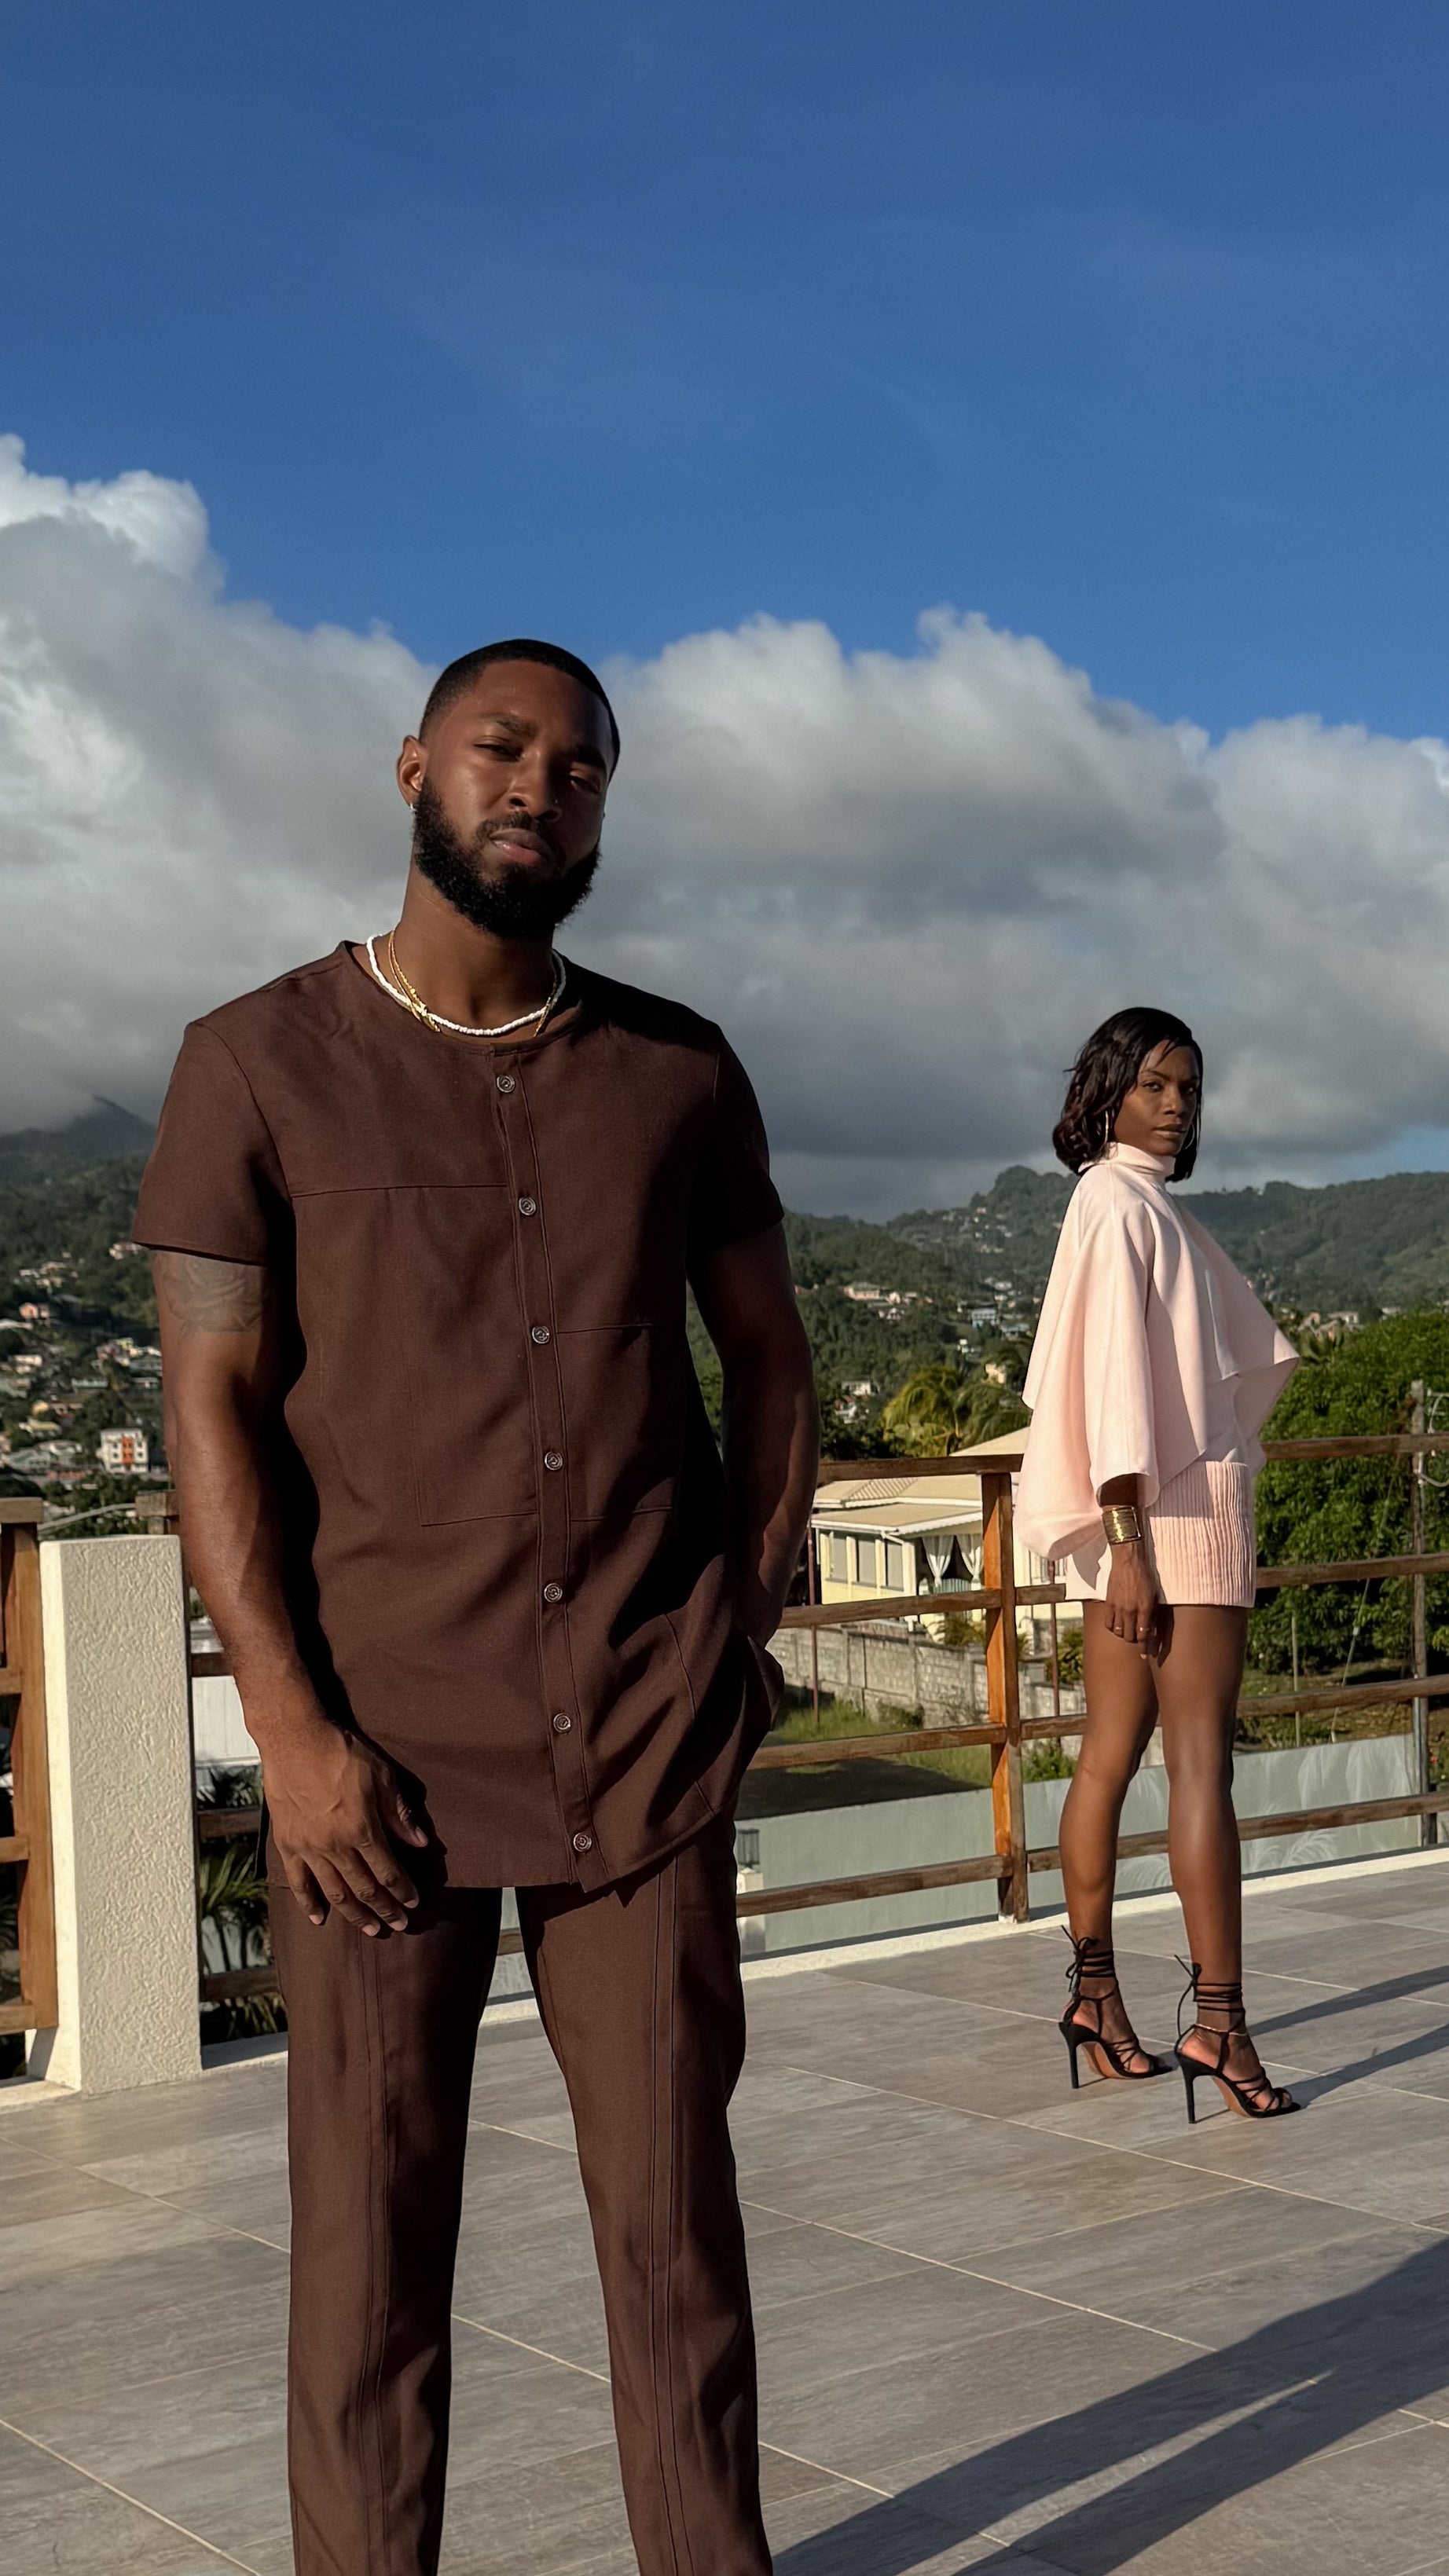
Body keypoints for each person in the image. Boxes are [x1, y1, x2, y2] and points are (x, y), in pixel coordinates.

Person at [134, 638, 819, 2576]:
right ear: (412, 766)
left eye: (582, 765)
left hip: (644, 1736)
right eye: (503, 748)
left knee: (677, 2249)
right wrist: (289, 1734)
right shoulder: (250, 1061)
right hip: (377, 1765)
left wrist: (741, 1628)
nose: (541, 784)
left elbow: (771, 1356)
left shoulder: (679, 1072)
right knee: (365, 2278)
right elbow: (208, 1409)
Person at [1015, 1006, 1300, 2122]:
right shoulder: (1119, 1204)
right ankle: (1220, 2024)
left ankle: (1096, 2000)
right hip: (1168, 1521)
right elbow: (1118, 1389)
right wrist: (1129, 1544)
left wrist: (1120, 1540)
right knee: (1196, 1772)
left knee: (1109, 1758)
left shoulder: (1128, 1203)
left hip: (1138, 1522)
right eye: (1155, 1085)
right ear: (1108, 1091)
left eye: (1189, 1086)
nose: (1177, 1104)